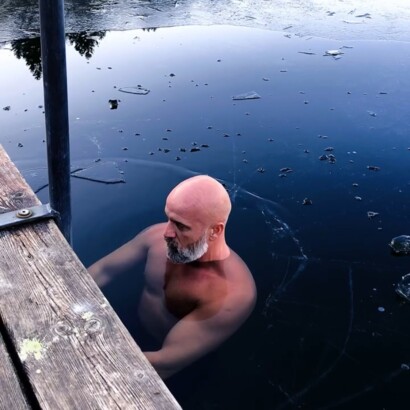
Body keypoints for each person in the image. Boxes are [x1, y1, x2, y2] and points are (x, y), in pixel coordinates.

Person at [88, 175, 257, 379]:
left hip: (176, 362)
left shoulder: (232, 295)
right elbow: (102, 271)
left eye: (181, 226)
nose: (167, 232)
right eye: (169, 218)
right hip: (133, 327)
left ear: (215, 231)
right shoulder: (156, 238)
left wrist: (88, 356)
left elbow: (165, 362)